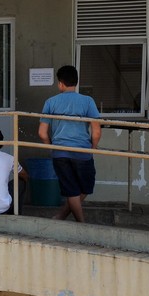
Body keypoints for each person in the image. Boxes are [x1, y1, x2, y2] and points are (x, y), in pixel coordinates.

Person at [38, 64, 101, 223]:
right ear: (76, 82)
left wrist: (50, 147)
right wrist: (93, 149)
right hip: (83, 152)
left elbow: (42, 133)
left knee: (71, 190)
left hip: (60, 152)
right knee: (85, 187)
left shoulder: (50, 102)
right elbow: (96, 131)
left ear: (60, 83)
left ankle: (63, 216)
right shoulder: (88, 101)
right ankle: (81, 224)